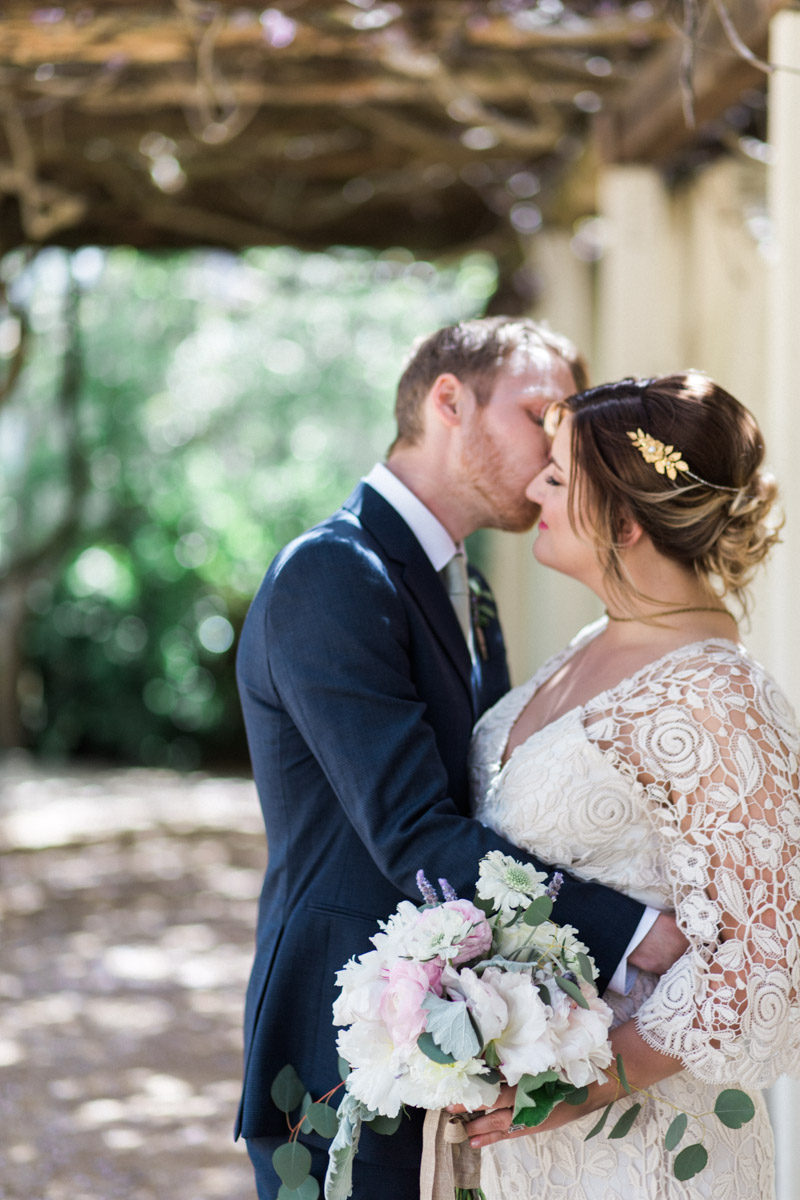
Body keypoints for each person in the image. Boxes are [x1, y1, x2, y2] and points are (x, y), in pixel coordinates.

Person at [235, 318, 684, 1200]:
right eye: (539, 412)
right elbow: (411, 828)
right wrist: (630, 931)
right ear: (449, 401)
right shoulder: (333, 573)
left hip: (475, 1036)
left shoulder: (465, 587)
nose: (561, 444)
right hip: (345, 1050)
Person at [460, 372, 800, 1198]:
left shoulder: (718, 698)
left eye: (560, 474)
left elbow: (766, 954)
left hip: (643, 1142)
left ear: (625, 520)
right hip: (521, 1139)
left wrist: (589, 1083)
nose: (536, 481)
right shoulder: (589, 643)